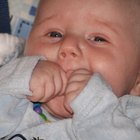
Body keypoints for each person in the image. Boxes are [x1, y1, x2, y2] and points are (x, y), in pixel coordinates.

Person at [0, 0, 140, 139]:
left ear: (137, 81)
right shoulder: (14, 94)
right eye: (54, 34)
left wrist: (95, 106)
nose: (68, 45)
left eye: (98, 39)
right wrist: (21, 77)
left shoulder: (132, 118)